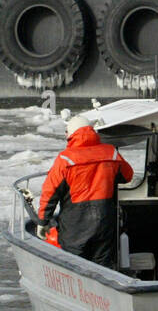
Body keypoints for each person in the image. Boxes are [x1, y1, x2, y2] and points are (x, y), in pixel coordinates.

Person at [37, 115, 134, 268]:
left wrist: (43, 221)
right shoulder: (111, 153)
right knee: (103, 266)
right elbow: (127, 176)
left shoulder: (65, 159)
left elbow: (50, 193)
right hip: (105, 221)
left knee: (76, 267)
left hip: (75, 225)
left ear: (70, 134)